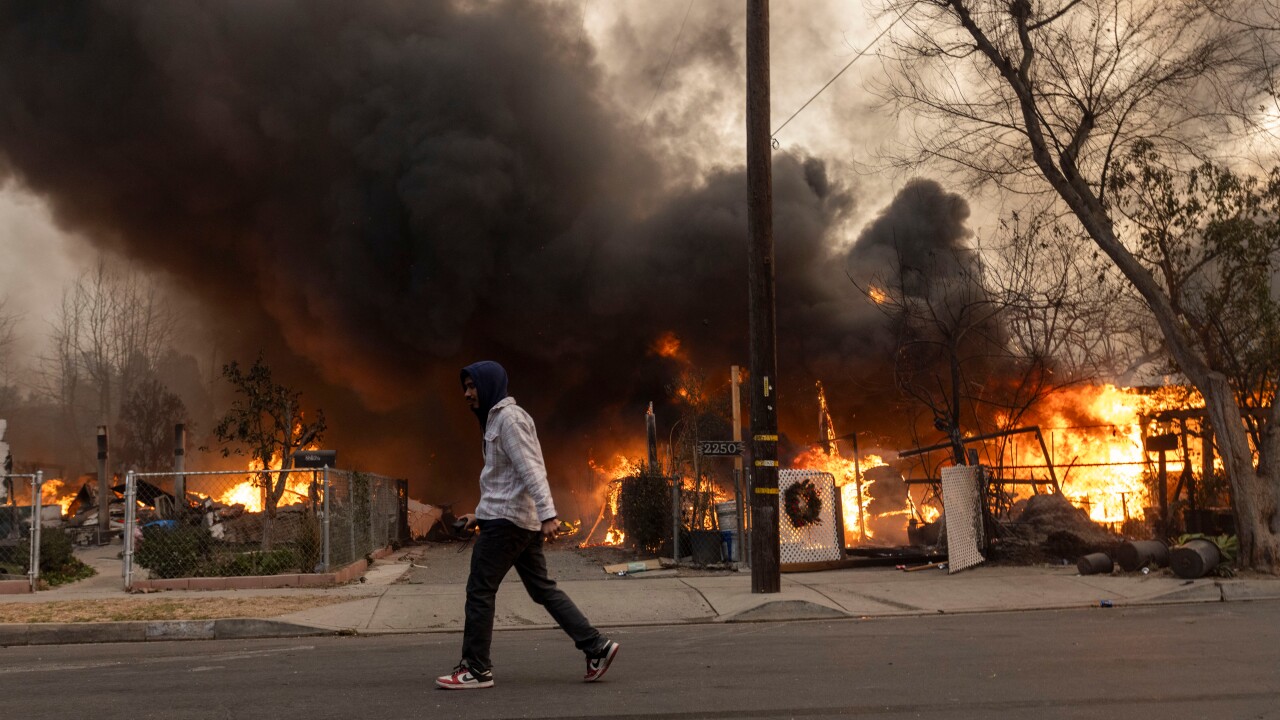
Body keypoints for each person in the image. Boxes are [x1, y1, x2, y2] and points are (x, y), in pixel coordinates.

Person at [435, 360, 619, 690]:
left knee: (480, 590)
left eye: (472, 386)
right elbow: (503, 482)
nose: (467, 394)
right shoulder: (498, 419)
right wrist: (479, 514)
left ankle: (476, 669)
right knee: (542, 589)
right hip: (514, 520)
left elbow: (531, 470)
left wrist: (549, 514)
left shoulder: (508, 419)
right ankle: (596, 647)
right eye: (465, 387)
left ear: (489, 384)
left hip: (508, 525)